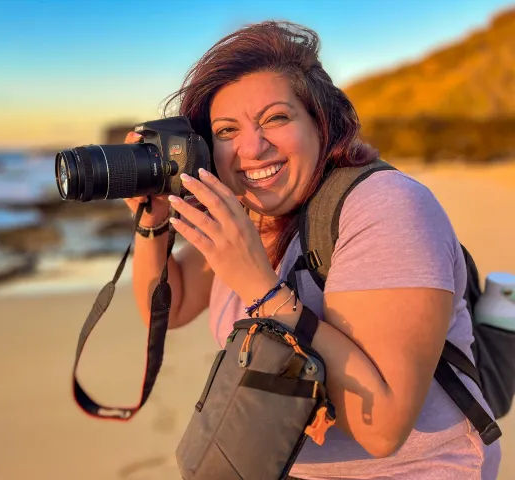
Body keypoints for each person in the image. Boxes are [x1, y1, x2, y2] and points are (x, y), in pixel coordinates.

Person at [123, 21, 501, 479]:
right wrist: (154, 220)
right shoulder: (248, 214)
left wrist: (261, 289)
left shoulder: (386, 208)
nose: (253, 147)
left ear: (321, 122)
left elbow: (382, 429)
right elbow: (169, 306)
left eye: (275, 119)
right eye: (226, 130)